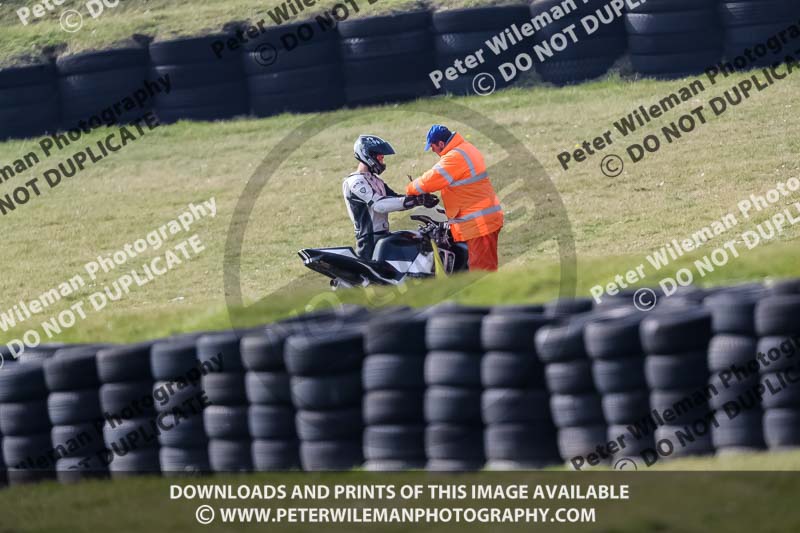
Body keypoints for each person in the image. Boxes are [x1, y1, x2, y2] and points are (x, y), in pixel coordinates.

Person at [405, 125, 503, 271]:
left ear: (441, 144)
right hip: (484, 219)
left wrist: (410, 188)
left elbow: (431, 179)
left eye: (433, 147)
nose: (433, 151)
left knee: (481, 273)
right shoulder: (466, 148)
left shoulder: (455, 157)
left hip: (479, 224)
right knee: (483, 267)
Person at [343, 135, 438, 260]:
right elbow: (379, 205)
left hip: (383, 235)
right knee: (373, 279)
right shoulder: (355, 181)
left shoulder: (376, 180)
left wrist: (420, 198)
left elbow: (395, 198)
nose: (382, 161)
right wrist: (414, 200)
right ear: (368, 156)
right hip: (368, 241)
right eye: (380, 157)